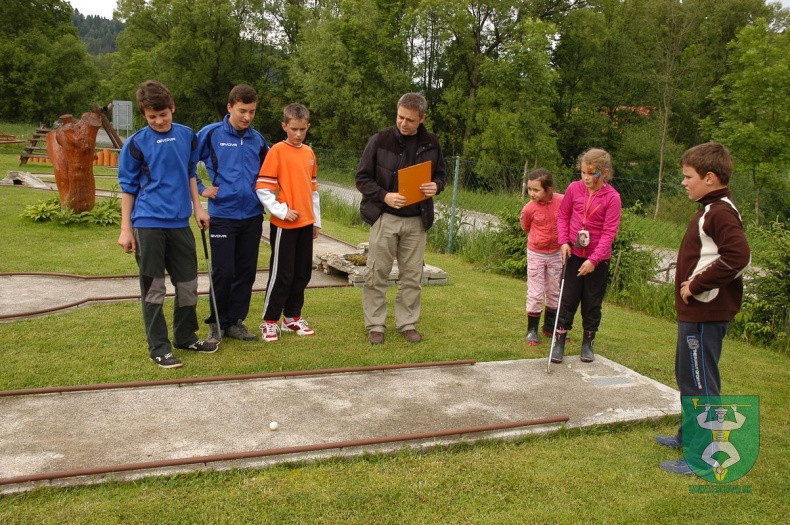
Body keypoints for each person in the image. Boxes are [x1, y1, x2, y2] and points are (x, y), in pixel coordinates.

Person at [656, 142, 751, 475]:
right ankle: (688, 437)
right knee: (688, 378)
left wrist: (696, 285)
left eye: (688, 176)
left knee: (701, 384)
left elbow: (739, 257)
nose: (683, 183)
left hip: (706, 315)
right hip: (695, 316)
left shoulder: (720, 212)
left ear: (710, 178)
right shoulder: (710, 209)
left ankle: (704, 457)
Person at [117, 79, 217, 369]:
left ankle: (185, 337)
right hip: (147, 223)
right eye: (152, 117)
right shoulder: (136, 143)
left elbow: (189, 173)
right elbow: (128, 187)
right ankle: (158, 347)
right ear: (144, 115)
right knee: (154, 288)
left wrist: (198, 208)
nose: (159, 121)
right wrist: (126, 229)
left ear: (172, 108)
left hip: (179, 223)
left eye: (163, 114)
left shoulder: (187, 136)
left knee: (188, 284)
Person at [355, 92, 447, 344]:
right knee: (377, 273)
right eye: (400, 117)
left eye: (410, 120)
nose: (404, 123)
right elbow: (362, 178)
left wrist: (435, 187)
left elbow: (441, 176)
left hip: (417, 219)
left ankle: (407, 323)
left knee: (412, 276)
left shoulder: (432, 143)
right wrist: (385, 196)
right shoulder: (380, 140)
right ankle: (375, 324)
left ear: (422, 118)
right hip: (385, 216)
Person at [196, 84, 269, 343]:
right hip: (223, 215)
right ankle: (216, 322)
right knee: (224, 272)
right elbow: (186, 164)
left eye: (252, 111)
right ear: (229, 108)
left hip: (251, 216)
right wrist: (202, 188)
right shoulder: (210, 134)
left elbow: (270, 174)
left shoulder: (258, 139)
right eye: (242, 111)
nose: (247, 117)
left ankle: (235, 322)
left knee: (246, 272)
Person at [255, 103, 321, 343]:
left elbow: (313, 190)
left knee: (302, 273)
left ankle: (292, 317)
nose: (298, 134)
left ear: (308, 127)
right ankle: (269, 321)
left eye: (303, 129)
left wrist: (316, 221)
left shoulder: (309, 153)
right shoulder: (277, 152)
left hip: (305, 224)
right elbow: (263, 188)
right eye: (293, 128)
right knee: (282, 273)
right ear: (284, 126)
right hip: (284, 225)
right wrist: (282, 211)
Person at [551, 148, 622, 363]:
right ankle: (559, 340)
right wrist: (563, 242)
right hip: (572, 254)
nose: (587, 178)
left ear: (605, 173)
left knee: (592, 302)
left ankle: (588, 342)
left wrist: (594, 259)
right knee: (568, 298)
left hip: (597, 260)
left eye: (593, 174)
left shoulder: (613, 198)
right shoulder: (574, 189)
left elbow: (610, 232)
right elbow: (563, 216)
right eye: (583, 173)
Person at [520, 168, 564, 346]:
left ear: (549, 188)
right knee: (536, 292)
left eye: (536, 190)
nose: (532, 193)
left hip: (556, 254)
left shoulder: (562, 201)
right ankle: (532, 330)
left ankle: (549, 326)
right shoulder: (529, 209)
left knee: (554, 291)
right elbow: (526, 227)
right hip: (536, 254)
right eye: (529, 189)